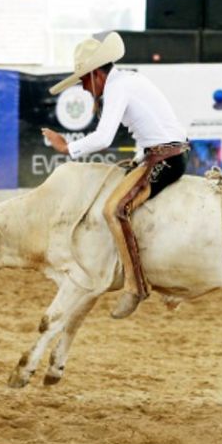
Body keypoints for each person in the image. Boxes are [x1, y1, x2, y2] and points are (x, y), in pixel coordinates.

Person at [41, 32, 189, 319]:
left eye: (84, 80)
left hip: (166, 157)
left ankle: (136, 287)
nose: (84, 88)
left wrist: (67, 147)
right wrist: (139, 158)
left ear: (97, 73)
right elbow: (148, 125)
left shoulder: (118, 88)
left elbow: (103, 137)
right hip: (164, 153)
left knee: (114, 210)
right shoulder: (128, 81)